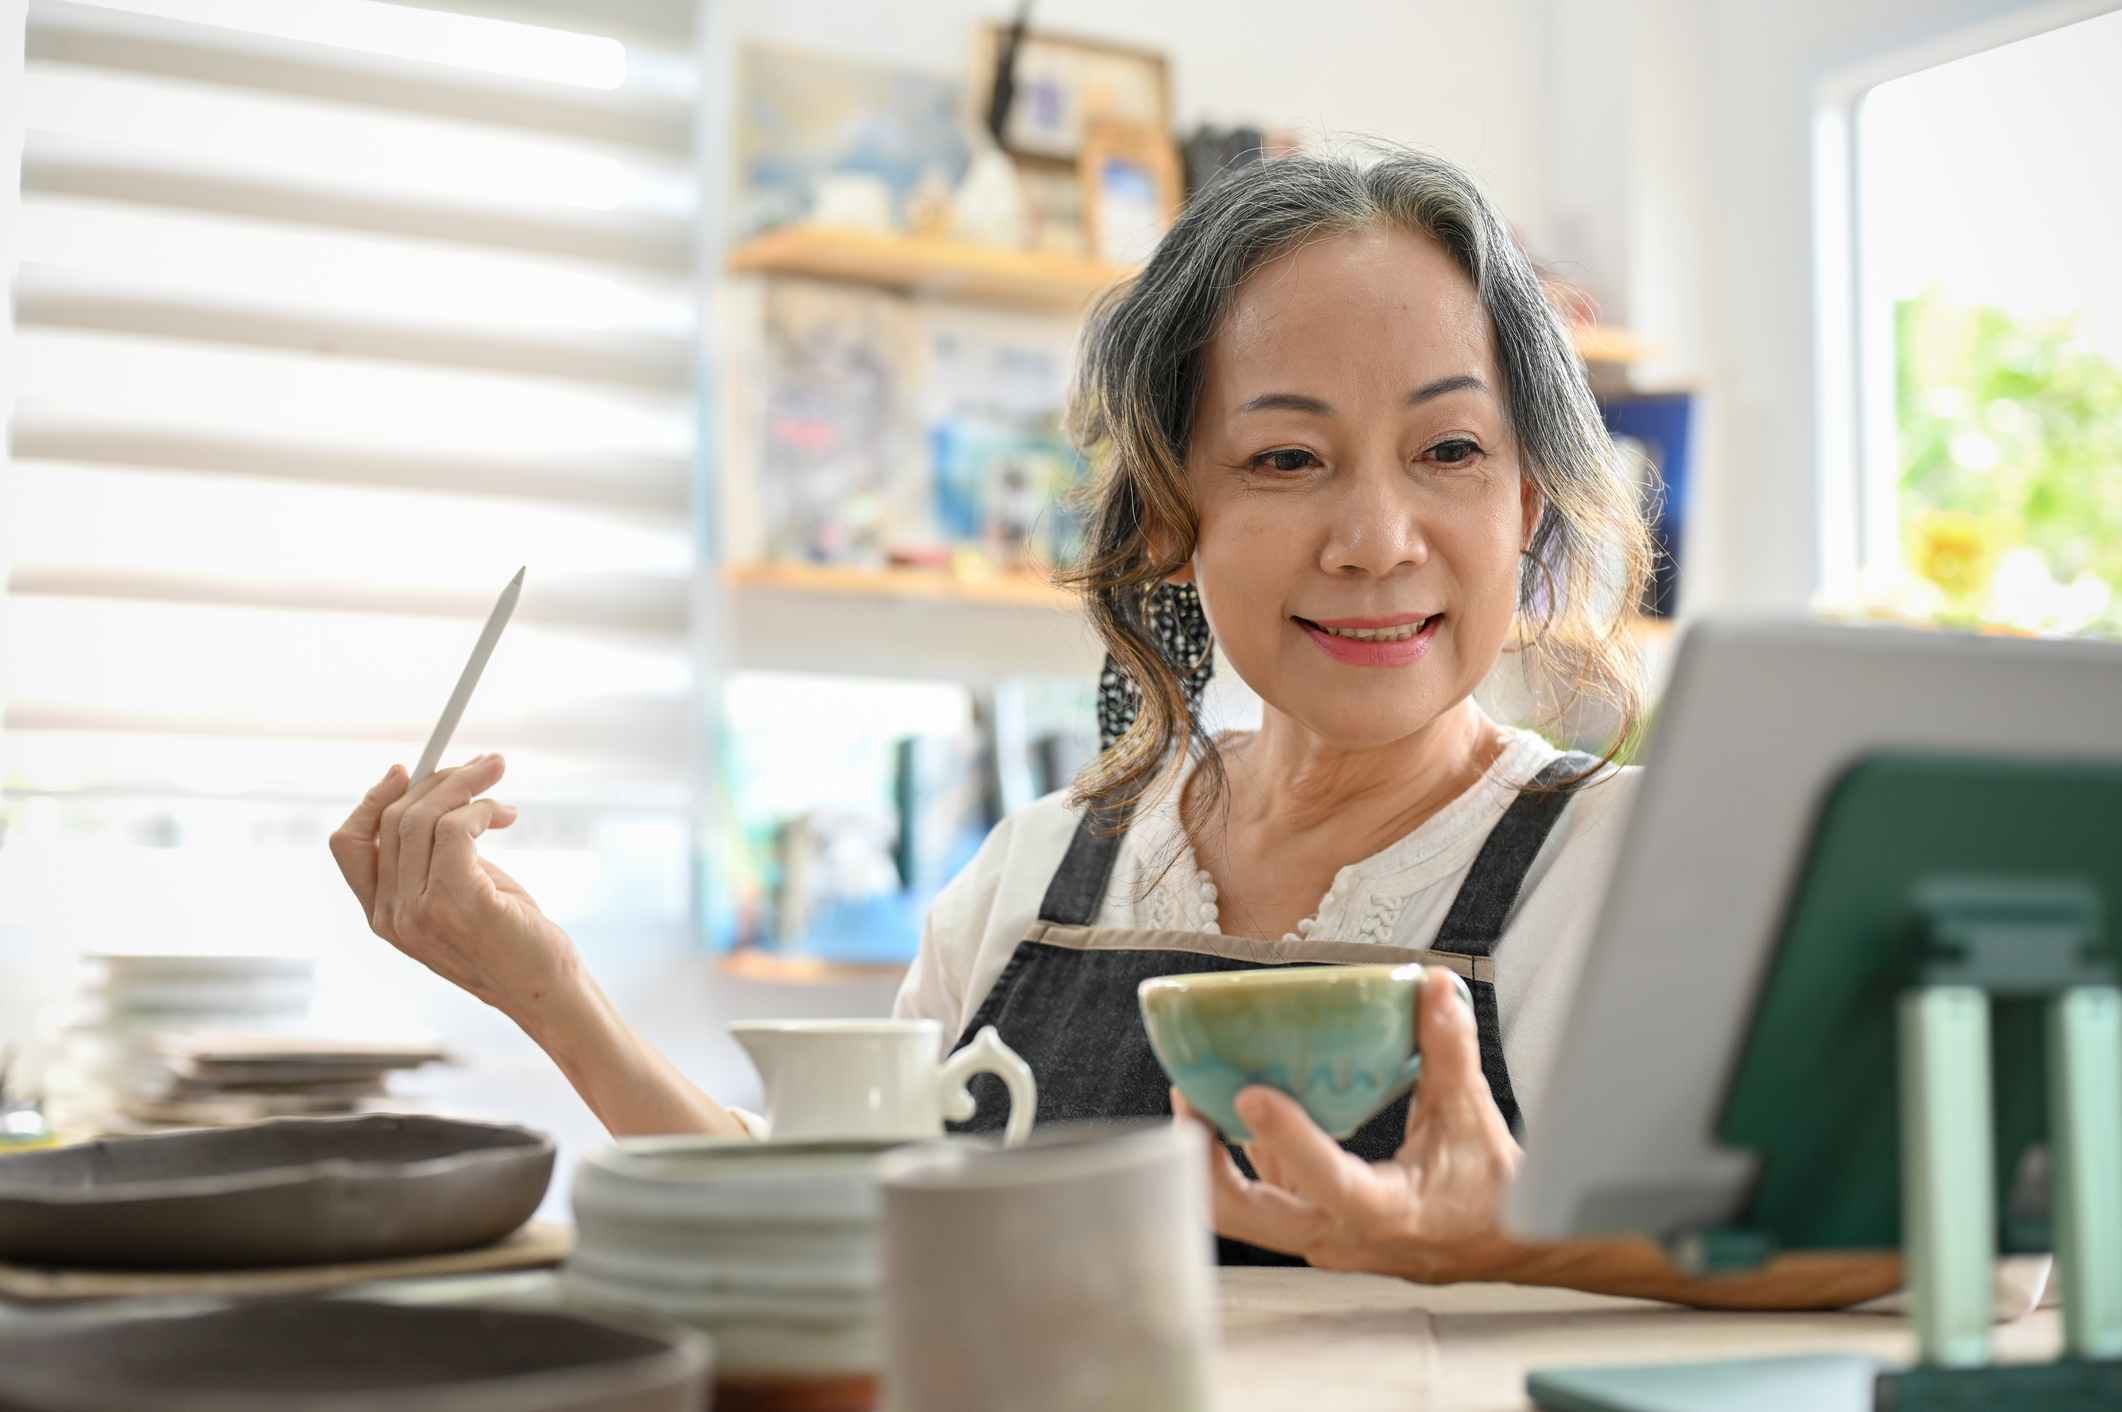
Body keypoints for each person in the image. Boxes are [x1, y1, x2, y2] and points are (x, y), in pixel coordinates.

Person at [330, 146, 1898, 1308]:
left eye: (1448, 451)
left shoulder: (1625, 874)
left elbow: (1911, 1244)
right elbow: (846, 1231)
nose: (1375, 536)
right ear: (1168, 518)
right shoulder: (1038, 874)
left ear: (1527, 500)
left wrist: (1512, 1235)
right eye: (1287, 461)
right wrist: (547, 992)